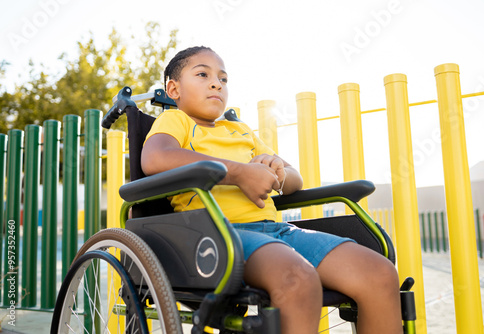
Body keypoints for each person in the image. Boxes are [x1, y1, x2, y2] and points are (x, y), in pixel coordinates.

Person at [141, 46, 403, 334]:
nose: (216, 83)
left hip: (276, 231)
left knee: (379, 274)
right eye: (202, 74)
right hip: (217, 234)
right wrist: (240, 173)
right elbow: (155, 158)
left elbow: (295, 180)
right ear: (173, 88)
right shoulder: (176, 121)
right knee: (298, 279)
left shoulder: (240, 131)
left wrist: (276, 169)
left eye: (223, 79)